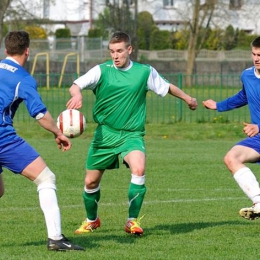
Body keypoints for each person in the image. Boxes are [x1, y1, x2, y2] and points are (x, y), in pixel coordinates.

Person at [66, 31, 198, 235]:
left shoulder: (144, 72)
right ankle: (92, 220)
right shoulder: (102, 71)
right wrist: (77, 96)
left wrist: (188, 99)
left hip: (131, 134)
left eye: (119, 51)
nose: (115, 56)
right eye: (112, 51)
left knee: (139, 169)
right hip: (105, 134)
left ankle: (132, 221)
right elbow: (76, 85)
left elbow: (166, 87)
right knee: (90, 182)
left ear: (129, 50)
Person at [0, 31, 84, 251]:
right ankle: (56, 239)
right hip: (2, 138)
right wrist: (58, 132)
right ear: (27, 51)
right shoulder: (23, 78)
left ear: (6, 50)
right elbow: (40, 114)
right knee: (46, 178)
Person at [203, 36, 260, 221]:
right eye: (254, 54)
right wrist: (218, 105)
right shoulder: (247, 75)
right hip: (258, 138)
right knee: (231, 158)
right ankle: (259, 203)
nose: (256, 58)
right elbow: (244, 96)